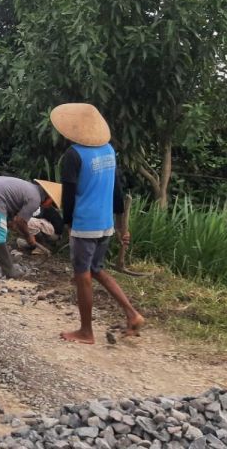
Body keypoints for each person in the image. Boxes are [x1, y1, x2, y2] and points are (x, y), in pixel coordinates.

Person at [50, 103, 144, 344]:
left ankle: (86, 331)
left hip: (85, 223)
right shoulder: (108, 151)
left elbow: (68, 195)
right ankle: (132, 314)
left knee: (83, 276)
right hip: (105, 223)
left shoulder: (73, 155)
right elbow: (117, 191)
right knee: (96, 269)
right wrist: (122, 225)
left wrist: (68, 223)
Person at [0, 176, 61, 278]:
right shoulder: (35, 199)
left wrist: (11, 221)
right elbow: (21, 221)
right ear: (49, 197)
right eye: (52, 203)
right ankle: (9, 271)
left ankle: (6, 260)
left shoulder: (31, 190)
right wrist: (28, 236)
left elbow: (14, 208)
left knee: (2, 230)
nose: (50, 206)